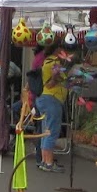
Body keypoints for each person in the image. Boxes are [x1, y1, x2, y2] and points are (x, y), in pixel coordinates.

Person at [31, 46, 69, 174]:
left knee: (45, 130)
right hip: (52, 98)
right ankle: (49, 162)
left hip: (43, 98)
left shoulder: (45, 62)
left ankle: (44, 160)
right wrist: (58, 77)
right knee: (52, 131)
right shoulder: (54, 63)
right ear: (58, 50)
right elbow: (51, 83)